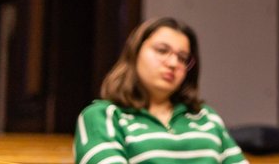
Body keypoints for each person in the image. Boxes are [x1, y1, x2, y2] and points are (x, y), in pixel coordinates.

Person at [74, 17, 247, 164]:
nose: (173, 63)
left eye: (183, 58)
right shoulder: (104, 116)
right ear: (135, 53)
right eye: (162, 50)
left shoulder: (206, 117)